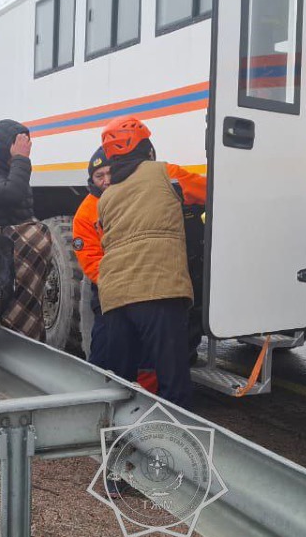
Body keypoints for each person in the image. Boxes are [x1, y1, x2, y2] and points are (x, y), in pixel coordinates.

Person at [72, 146, 206, 392]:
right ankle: (104, 400)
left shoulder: (141, 191)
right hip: (110, 289)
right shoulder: (86, 211)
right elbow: (90, 258)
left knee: (152, 353)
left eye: (108, 173)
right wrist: (117, 279)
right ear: (91, 180)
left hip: (143, 281)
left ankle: (150, 400)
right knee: (106, 352)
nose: (105, 180)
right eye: (98, 176)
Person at [95, 116, 202, 407]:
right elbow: (208, 191)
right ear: (146, 148)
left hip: (115, 297)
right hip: (159, 290)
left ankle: (122, 444)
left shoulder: (105, 196)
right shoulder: (165, 173)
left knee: (121, 385)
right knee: (173, 384)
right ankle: (174, 445)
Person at [0, 119, 52, 431]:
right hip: (4, 261)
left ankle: (18, 403)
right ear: (8, 144)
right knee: (1, 327)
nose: (27, 146)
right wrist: (21, 161)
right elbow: (11, 196)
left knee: (30, 325)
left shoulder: (13, 168)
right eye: (22, 141)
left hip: (26, 269)